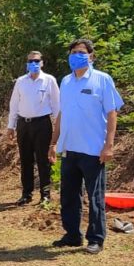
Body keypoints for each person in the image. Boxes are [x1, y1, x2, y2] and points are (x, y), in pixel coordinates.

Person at [49, 39, 124, 254]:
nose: (76, 56)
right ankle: (72, 235)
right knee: (69, 196)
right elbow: (62, 114)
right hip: (70, 148)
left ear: (91, 56)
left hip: (93, 150)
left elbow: (112, 113)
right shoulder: (65, 81)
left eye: (81, 52)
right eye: (73, 52)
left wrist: (109, 145)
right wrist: (54, 142)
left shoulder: (102, 79)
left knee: (95, 197)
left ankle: (96, 238)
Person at [7, 51, 60, 205]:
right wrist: (11, 126)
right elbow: (14, 104)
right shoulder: (21, 81)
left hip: (42, 124)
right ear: (27, 63)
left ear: (42, 62)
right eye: (30, 61)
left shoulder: (49, 80)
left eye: (37, 61)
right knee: (25, 160)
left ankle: (45, 194)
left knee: (44, 160)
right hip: (23, 124)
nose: (33, 64)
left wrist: (59, 126)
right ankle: (26, 193)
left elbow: (57, 105)